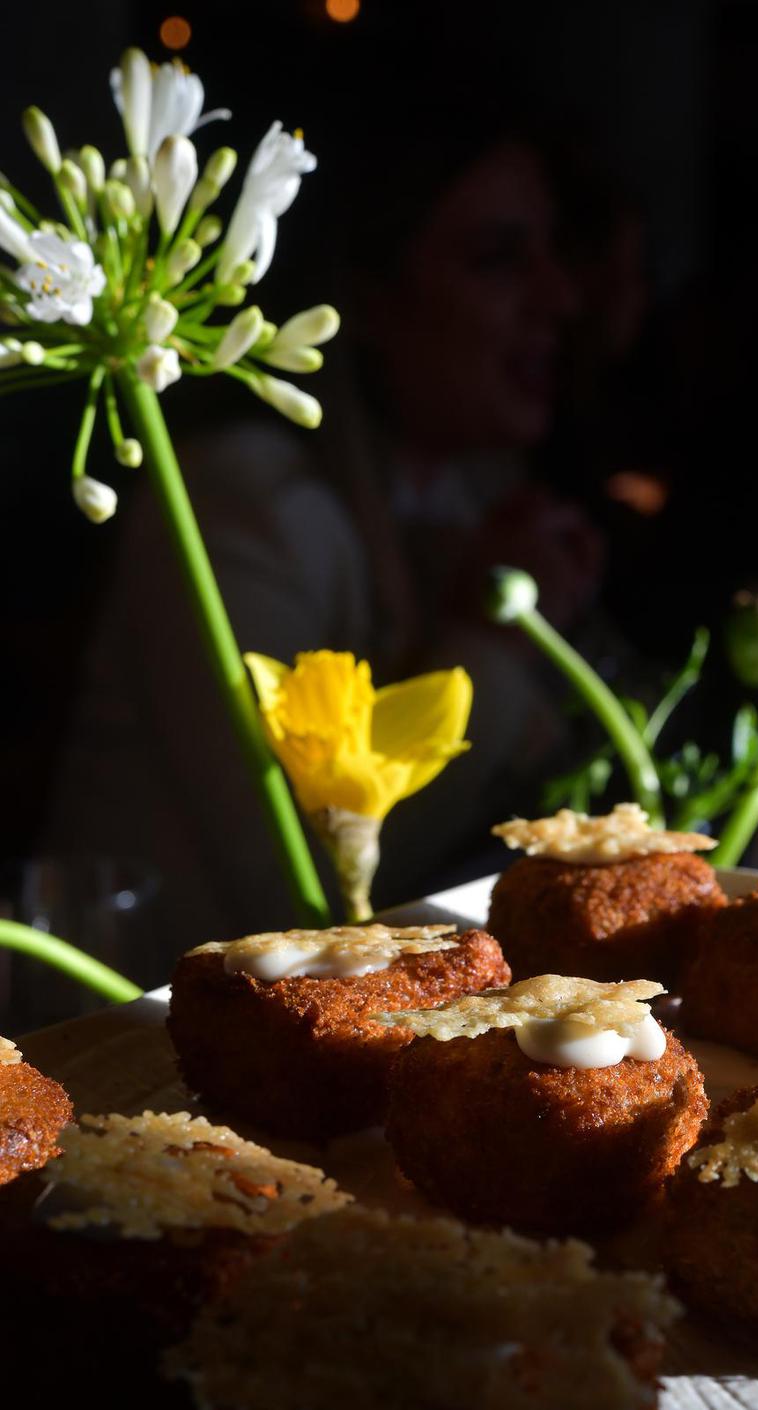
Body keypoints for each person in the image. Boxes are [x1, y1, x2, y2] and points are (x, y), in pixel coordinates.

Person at [46, 104, 609, 960]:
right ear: (372, 301)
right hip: (132, 1032)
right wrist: (497, 642)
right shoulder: (247, 501)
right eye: (498, 259)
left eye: (551, 251)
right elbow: (291, 886)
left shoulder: (464, 494)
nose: (561, 298)